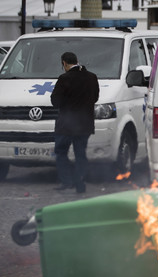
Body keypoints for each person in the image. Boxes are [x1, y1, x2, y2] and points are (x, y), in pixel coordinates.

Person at [51, 52, 99, 193]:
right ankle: (80, 183)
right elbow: (95, 98)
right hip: (85, 123)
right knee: (80, 153)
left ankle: (67, 181)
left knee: (61, 152)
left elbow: (55, 101)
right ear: (77, 61)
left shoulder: (64, 78)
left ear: (64, 63)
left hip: (66, 124)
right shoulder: (92, 77)